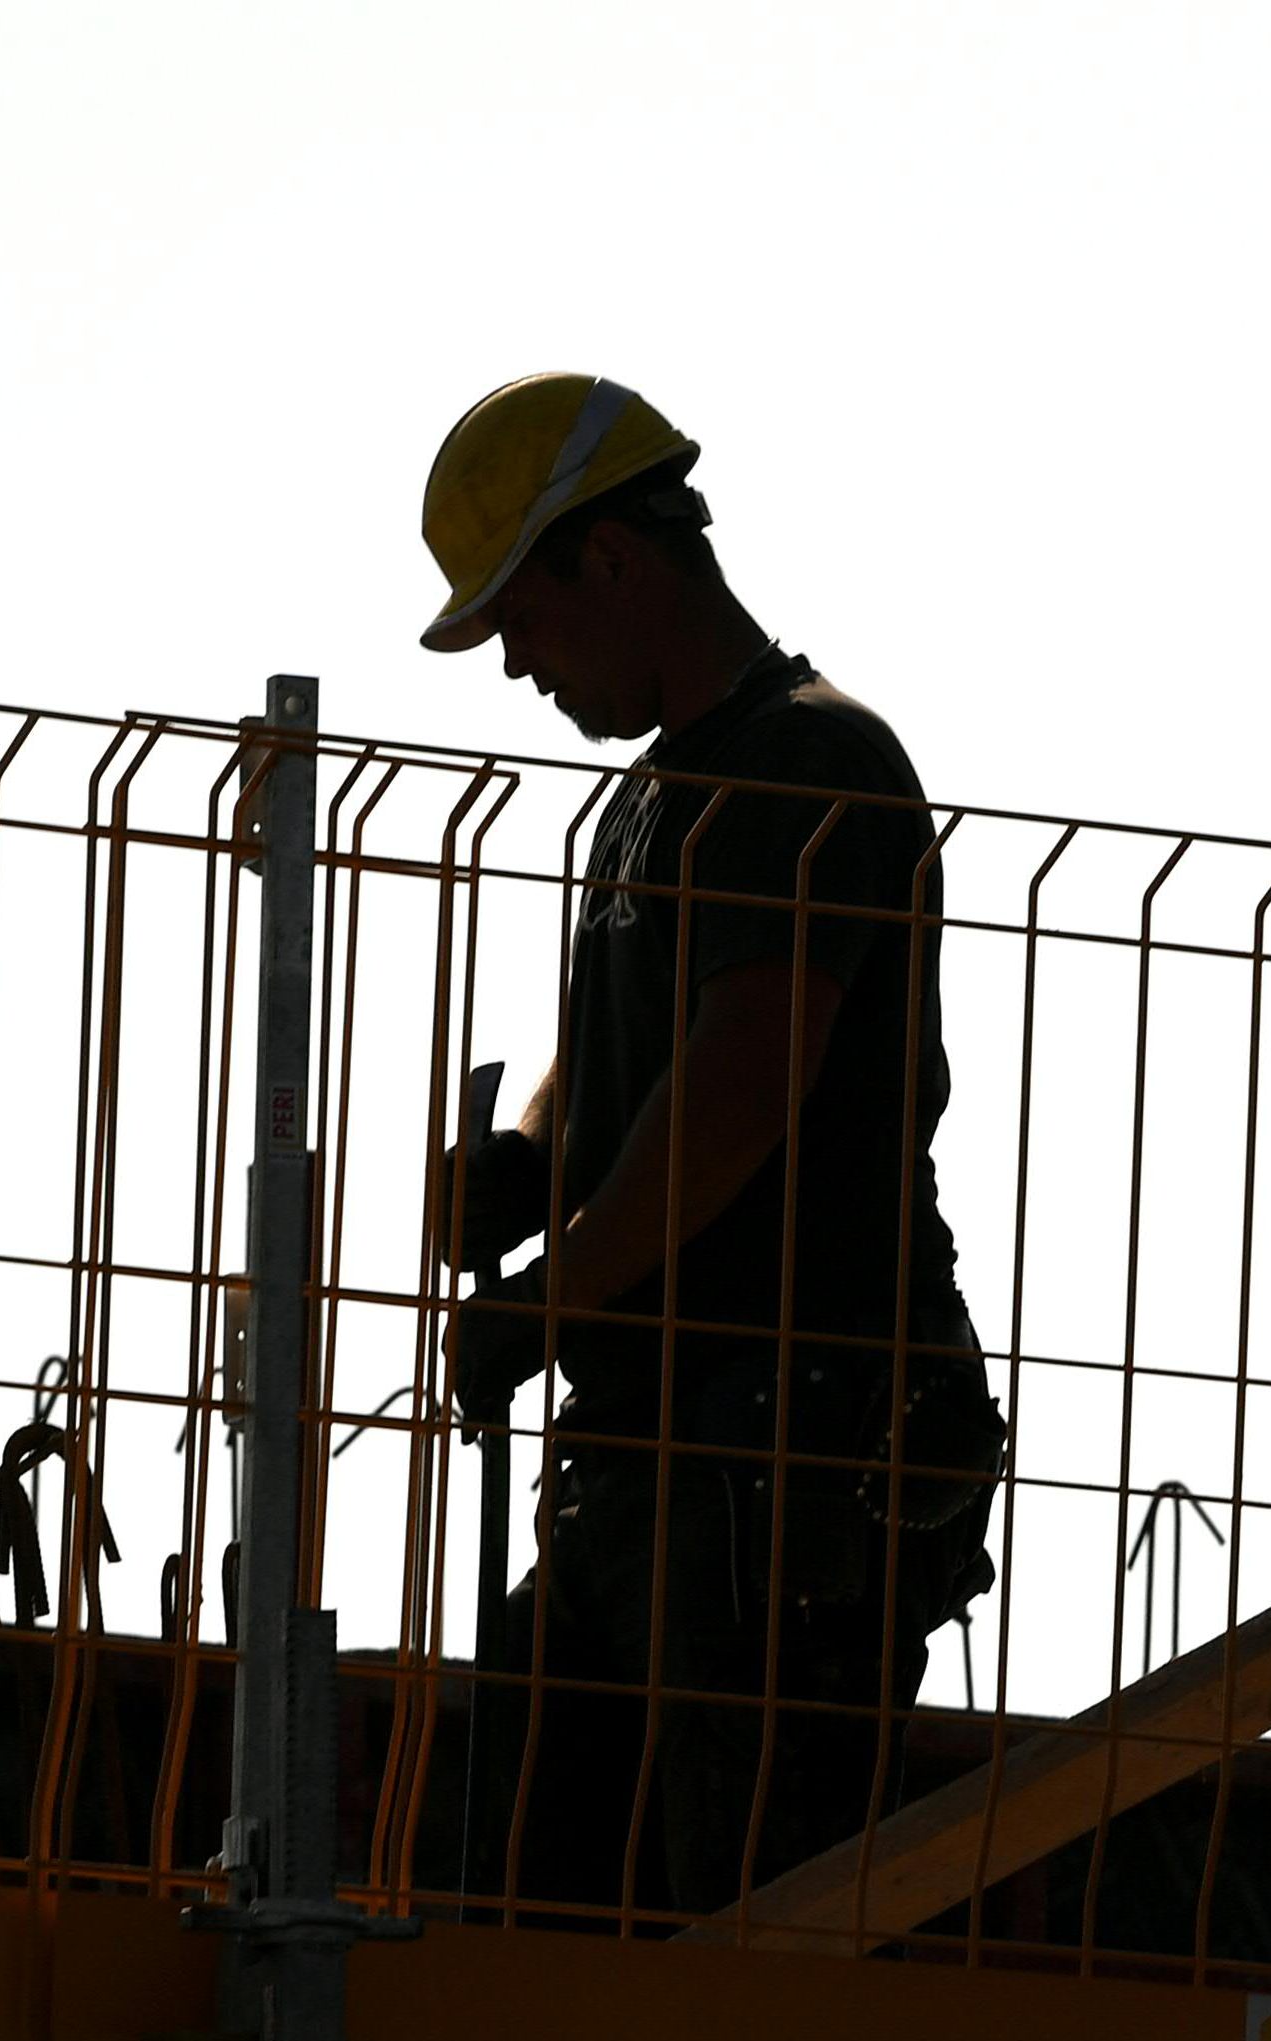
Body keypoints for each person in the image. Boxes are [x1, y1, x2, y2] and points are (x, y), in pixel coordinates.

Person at [420, 372, 1000, 1919]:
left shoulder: (810, 768)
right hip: (662, 1449)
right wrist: (534, 1161)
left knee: (736, 1916)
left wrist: (552, 1297)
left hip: (784, 1444)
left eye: (522, 620)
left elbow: (744, 1084)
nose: (517, 667)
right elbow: (617, 1058)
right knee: (529, 1891)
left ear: (612, 559)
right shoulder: (659, 800)